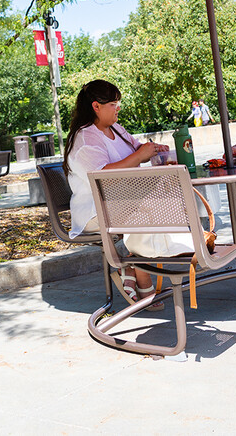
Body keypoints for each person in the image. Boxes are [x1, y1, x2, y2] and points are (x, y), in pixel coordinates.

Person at [64, 79, 172, 309]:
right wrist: (140, 156)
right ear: (96, 106)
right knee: (152, 207)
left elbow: (136, 148)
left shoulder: (115, 129)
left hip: (124, 202)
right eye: (113, 103)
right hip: (96, 210)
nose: (118, 108)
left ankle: (135, 263)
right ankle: (137, 267)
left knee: (170, 198)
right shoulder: (85, 138)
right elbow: (102, 175)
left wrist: (153, 150)